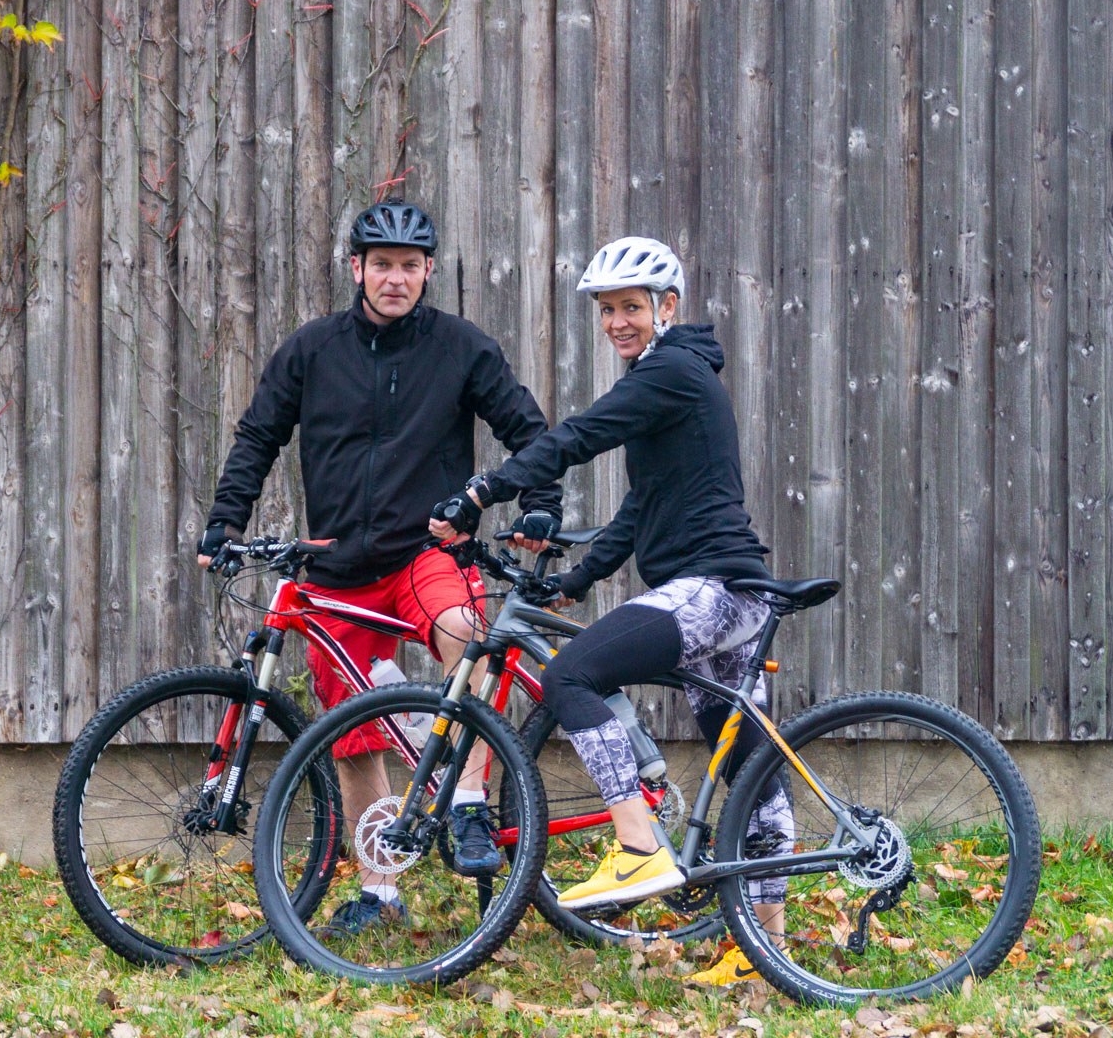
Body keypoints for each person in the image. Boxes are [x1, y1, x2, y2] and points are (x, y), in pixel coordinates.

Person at [429, 235, 791, 988]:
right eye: (608, 310)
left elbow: (577, 438)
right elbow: (641, 507)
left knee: (570, 676)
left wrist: (481, 492)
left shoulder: (672, 371)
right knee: (752, 772)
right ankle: (765, 952)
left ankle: (636, 843)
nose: (619, 322)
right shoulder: (674, 380)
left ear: (668, 307)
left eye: (632, 307)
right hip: (732, 593)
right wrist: (581, 578)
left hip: (709, 590)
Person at [199, 200, 562, 938]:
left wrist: (540, 507)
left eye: (409, 266)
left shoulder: (462, 347)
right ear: (357, 268)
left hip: (423, 554)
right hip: (335, 568)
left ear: (428, 272)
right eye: (382, 264)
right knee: (350, 733)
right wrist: (224, 521)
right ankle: (380, 891)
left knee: (466, 630)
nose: (395, 279)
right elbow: (258, 436)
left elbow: (530, 432)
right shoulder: (311, 349)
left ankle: (465, 803)